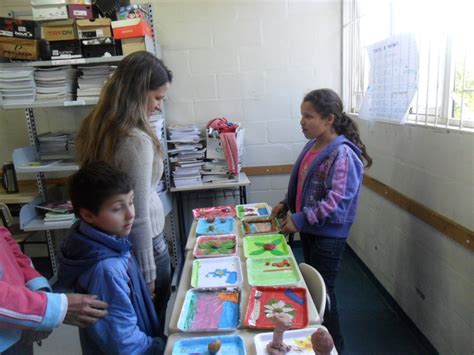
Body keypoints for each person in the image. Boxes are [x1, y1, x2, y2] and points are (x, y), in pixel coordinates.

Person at [75, 51, 173, 327]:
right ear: (138, 92)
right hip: (143, 246)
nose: (158, 106)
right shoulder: (134, 139)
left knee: (126, 322)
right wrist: (147, 271)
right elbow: (137, 213)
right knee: (150, 324)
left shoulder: (97, 126)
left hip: (112, 243)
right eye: (157, 98)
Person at [272, 88, 372, 353]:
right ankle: (317, 339)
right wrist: (287, 203)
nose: (302, 121)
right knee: (314, 287)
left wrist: (302, 219)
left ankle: (333, 346)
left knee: (324, 294)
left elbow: (337, 199)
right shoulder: (313, 146)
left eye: (309, 116)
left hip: (329, 235)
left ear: (329, 119)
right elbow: (305, 186)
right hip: (311, 229)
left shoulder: (343, 155)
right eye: (301, 115)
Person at [57, 162, 165, 354]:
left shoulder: (107, 239)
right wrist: (161, 348)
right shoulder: (106, 269)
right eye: (117, 208)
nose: (131, 214)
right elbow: (122, 342)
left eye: (131, 201)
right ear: (88, 215)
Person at [0, 226, 108, 355]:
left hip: (18, 327)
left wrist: (38, 290)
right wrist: (51, 310)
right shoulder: (107, 269)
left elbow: (6, 243)